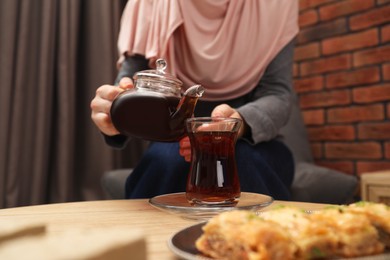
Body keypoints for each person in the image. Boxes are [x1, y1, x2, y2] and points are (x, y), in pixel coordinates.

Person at [91, 0, 299, 200]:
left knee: (237, 159)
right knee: (169, 159)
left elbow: (277, 93)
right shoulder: (148, 3)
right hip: (171, 143)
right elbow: (125, 88)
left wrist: (238, 124)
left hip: (252, 139)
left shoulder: (275, 5)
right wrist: (111, 111)